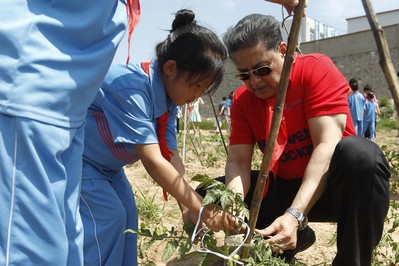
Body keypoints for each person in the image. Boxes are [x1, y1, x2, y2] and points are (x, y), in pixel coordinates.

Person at [200, 14, 390, 265]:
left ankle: (350, 260)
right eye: (244, 75)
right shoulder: (243, 101)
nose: (255, 81)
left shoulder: (315, 69)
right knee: (207, 193)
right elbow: (238, 163)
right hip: (286, 187)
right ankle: (283, 244)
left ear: (283, 50)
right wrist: (234, 207)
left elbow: (327, 146)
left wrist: (294, 214)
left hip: (337, 189)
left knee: (360, 156)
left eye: (262, 70)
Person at [79, 9, 238, 266]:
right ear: (171, 68)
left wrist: (188, 209)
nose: (198, 95)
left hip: (109, 168)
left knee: (128, 217)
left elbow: (170, 156)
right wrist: (202, 207)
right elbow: (153, 161)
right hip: (80, 161)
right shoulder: (132, 88)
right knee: (109, 219)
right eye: (197, 85)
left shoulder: (168, 98)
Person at [0, 0, 140, 265]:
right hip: (30, 96)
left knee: (65, 248)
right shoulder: (134, 88)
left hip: (69, 107)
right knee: (29, 251)